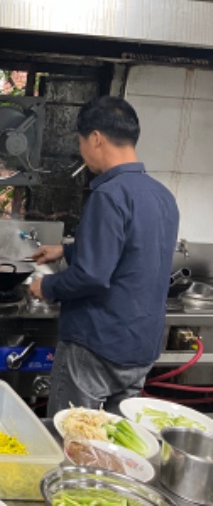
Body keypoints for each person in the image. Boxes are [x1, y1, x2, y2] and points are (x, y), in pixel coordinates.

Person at [28, 96, 179, 417]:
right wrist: (67, 250)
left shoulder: (109, 194)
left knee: (74, 432)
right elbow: (134, 253)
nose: (82, 151)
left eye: (81, 142)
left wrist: (47, 287)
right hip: (141, 347)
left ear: (95, 138)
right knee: (117, 436)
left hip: (98, 344)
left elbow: (92, 276)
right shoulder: (162, 195)